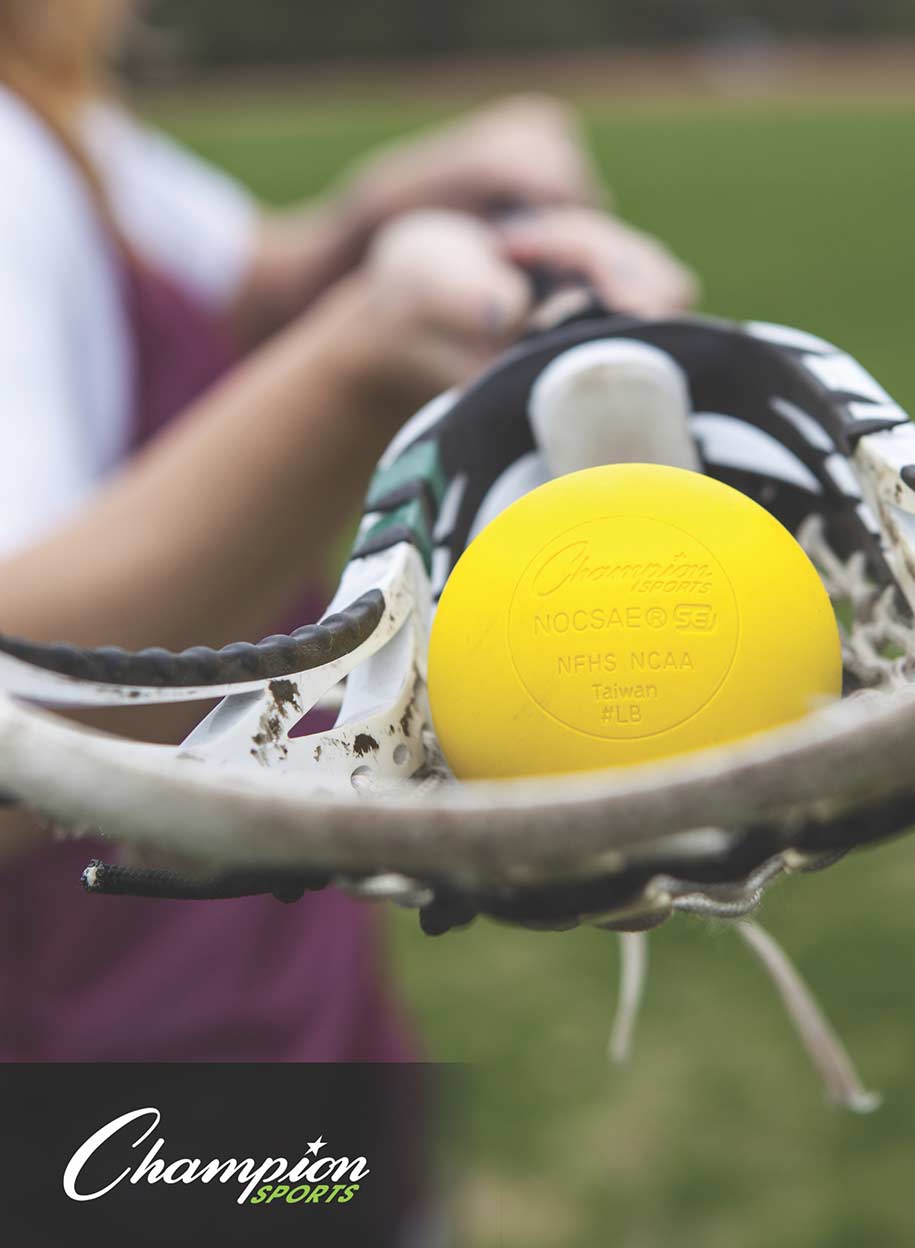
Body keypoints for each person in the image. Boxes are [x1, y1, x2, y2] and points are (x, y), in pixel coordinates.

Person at [0, 3, 694, 1237]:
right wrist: (361, 364)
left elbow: (226, 275)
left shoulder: (50, 110)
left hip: (242, 985)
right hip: (96, 1076)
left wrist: (371, 223)